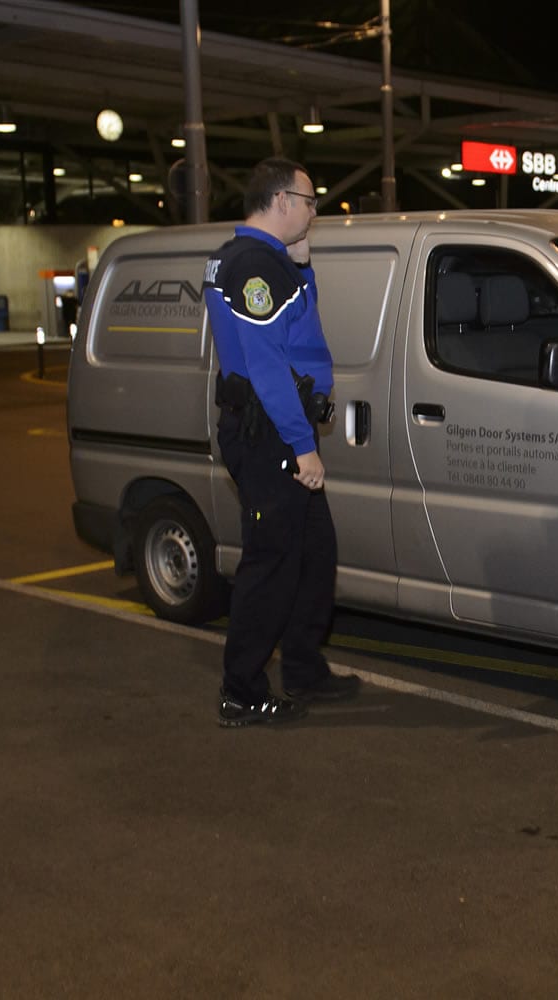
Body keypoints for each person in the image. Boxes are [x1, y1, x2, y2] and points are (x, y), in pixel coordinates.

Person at [201, 157, 360, 727]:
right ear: (281, 200)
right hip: (271, 434)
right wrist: (302, 445)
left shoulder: (260, 259)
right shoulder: (252, 267)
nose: (315, 211)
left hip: (277, 429)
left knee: (314, 555)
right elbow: (269, 366)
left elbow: (301, 331)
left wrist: (305, 266)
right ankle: (240, 691)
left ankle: (303, 667)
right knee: (270, 564)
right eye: (310, 200)